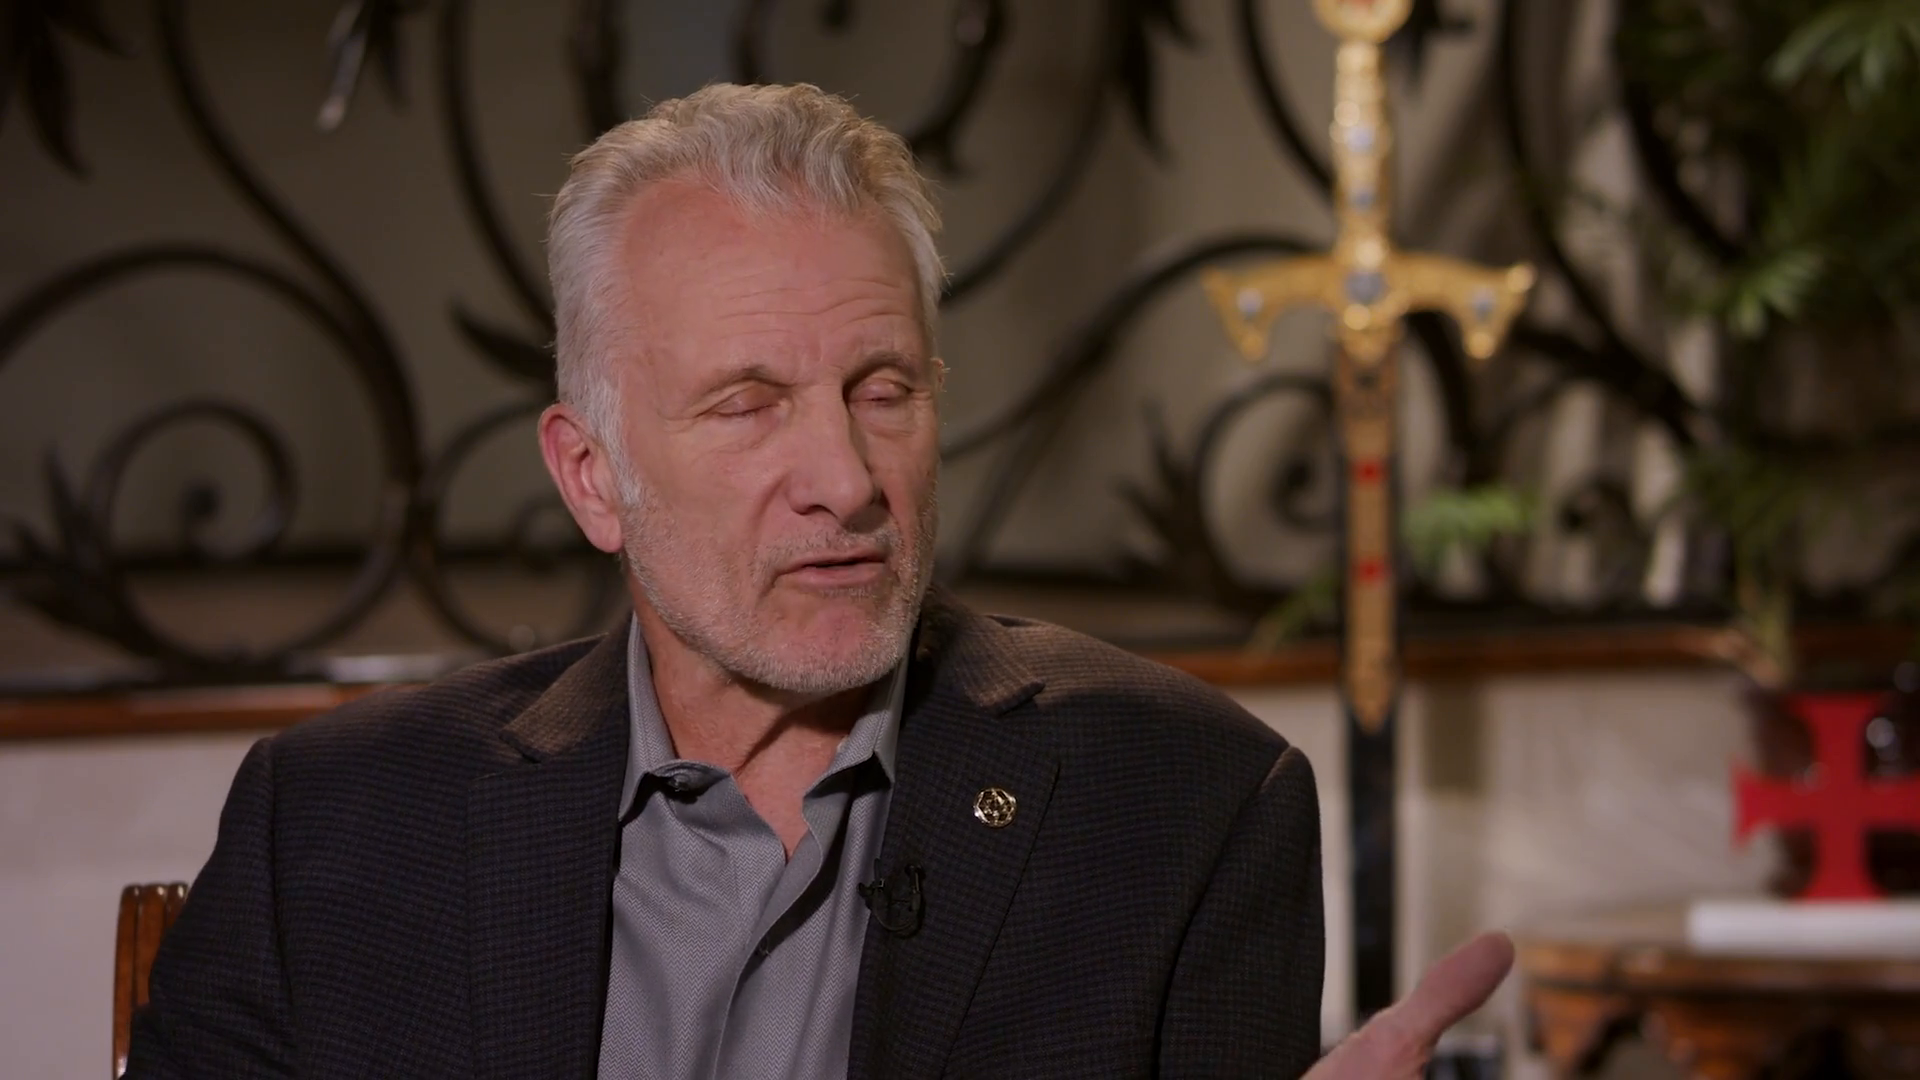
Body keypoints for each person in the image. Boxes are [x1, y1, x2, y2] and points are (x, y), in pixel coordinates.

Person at [127, 82, 1510, 1079]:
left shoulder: (1182, 808)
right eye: (747, 404)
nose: (845, 479)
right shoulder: (337, 830)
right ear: (592, 476)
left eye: (883, 389)